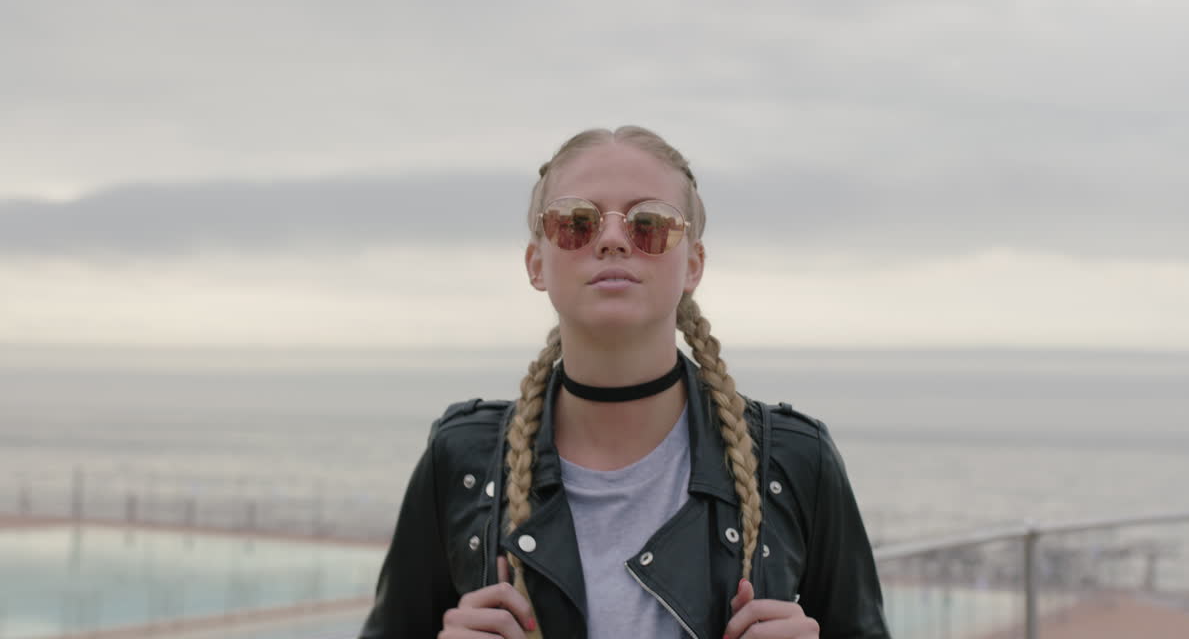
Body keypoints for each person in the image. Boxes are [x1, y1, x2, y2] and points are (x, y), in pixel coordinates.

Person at [359, 126, 891, 639]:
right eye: (576, 222)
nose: (613, 240)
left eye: (650, 224)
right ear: (536, 262)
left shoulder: (795, 458)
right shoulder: (463, 458)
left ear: (693, 265)